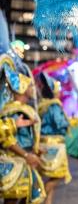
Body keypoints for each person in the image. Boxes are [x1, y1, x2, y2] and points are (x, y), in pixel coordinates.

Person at [0, 64, 46, 204]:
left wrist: (35, 150)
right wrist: (26, 155)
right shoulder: (16, 112)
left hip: (23, 160)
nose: (34, 89)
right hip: (16, 161)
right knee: (13, 198)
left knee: (24, 197)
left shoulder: (24, 109)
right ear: (22, 89)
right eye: (30, 86)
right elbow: (7, 139)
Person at [36, 72, 72, 204]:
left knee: (47, 175)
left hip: (42, 143)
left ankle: (48, 201)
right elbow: (60, 123)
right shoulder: (54, 105)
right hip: (54, 145)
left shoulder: (42, 104)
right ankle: (40, 196)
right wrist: (69, 121)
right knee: (58, 175)